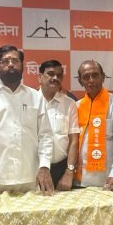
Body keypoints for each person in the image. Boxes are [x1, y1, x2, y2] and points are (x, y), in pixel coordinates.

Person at [0, 45, 53, 197]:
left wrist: (44, 167)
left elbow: (45, 136)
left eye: (15, 60)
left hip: (31, 179)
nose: (10, 64)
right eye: (5, 61)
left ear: (22, 66)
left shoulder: (36, 97)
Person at [75, 60, 113, 190]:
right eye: (86, 77)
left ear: (103, 77)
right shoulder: (77, 106)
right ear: (80, 81)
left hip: (109, 178)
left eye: (95, 75)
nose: (91, 80)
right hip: (80, 179)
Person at [38, 60, 79, 190]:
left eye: (59, 75)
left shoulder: (69, 103)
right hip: (35, 169)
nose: (55, 78)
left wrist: (69, 171)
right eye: (50, 74)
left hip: (61, 171)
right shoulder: (30, 101)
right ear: (40, 77)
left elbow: (74, 140)